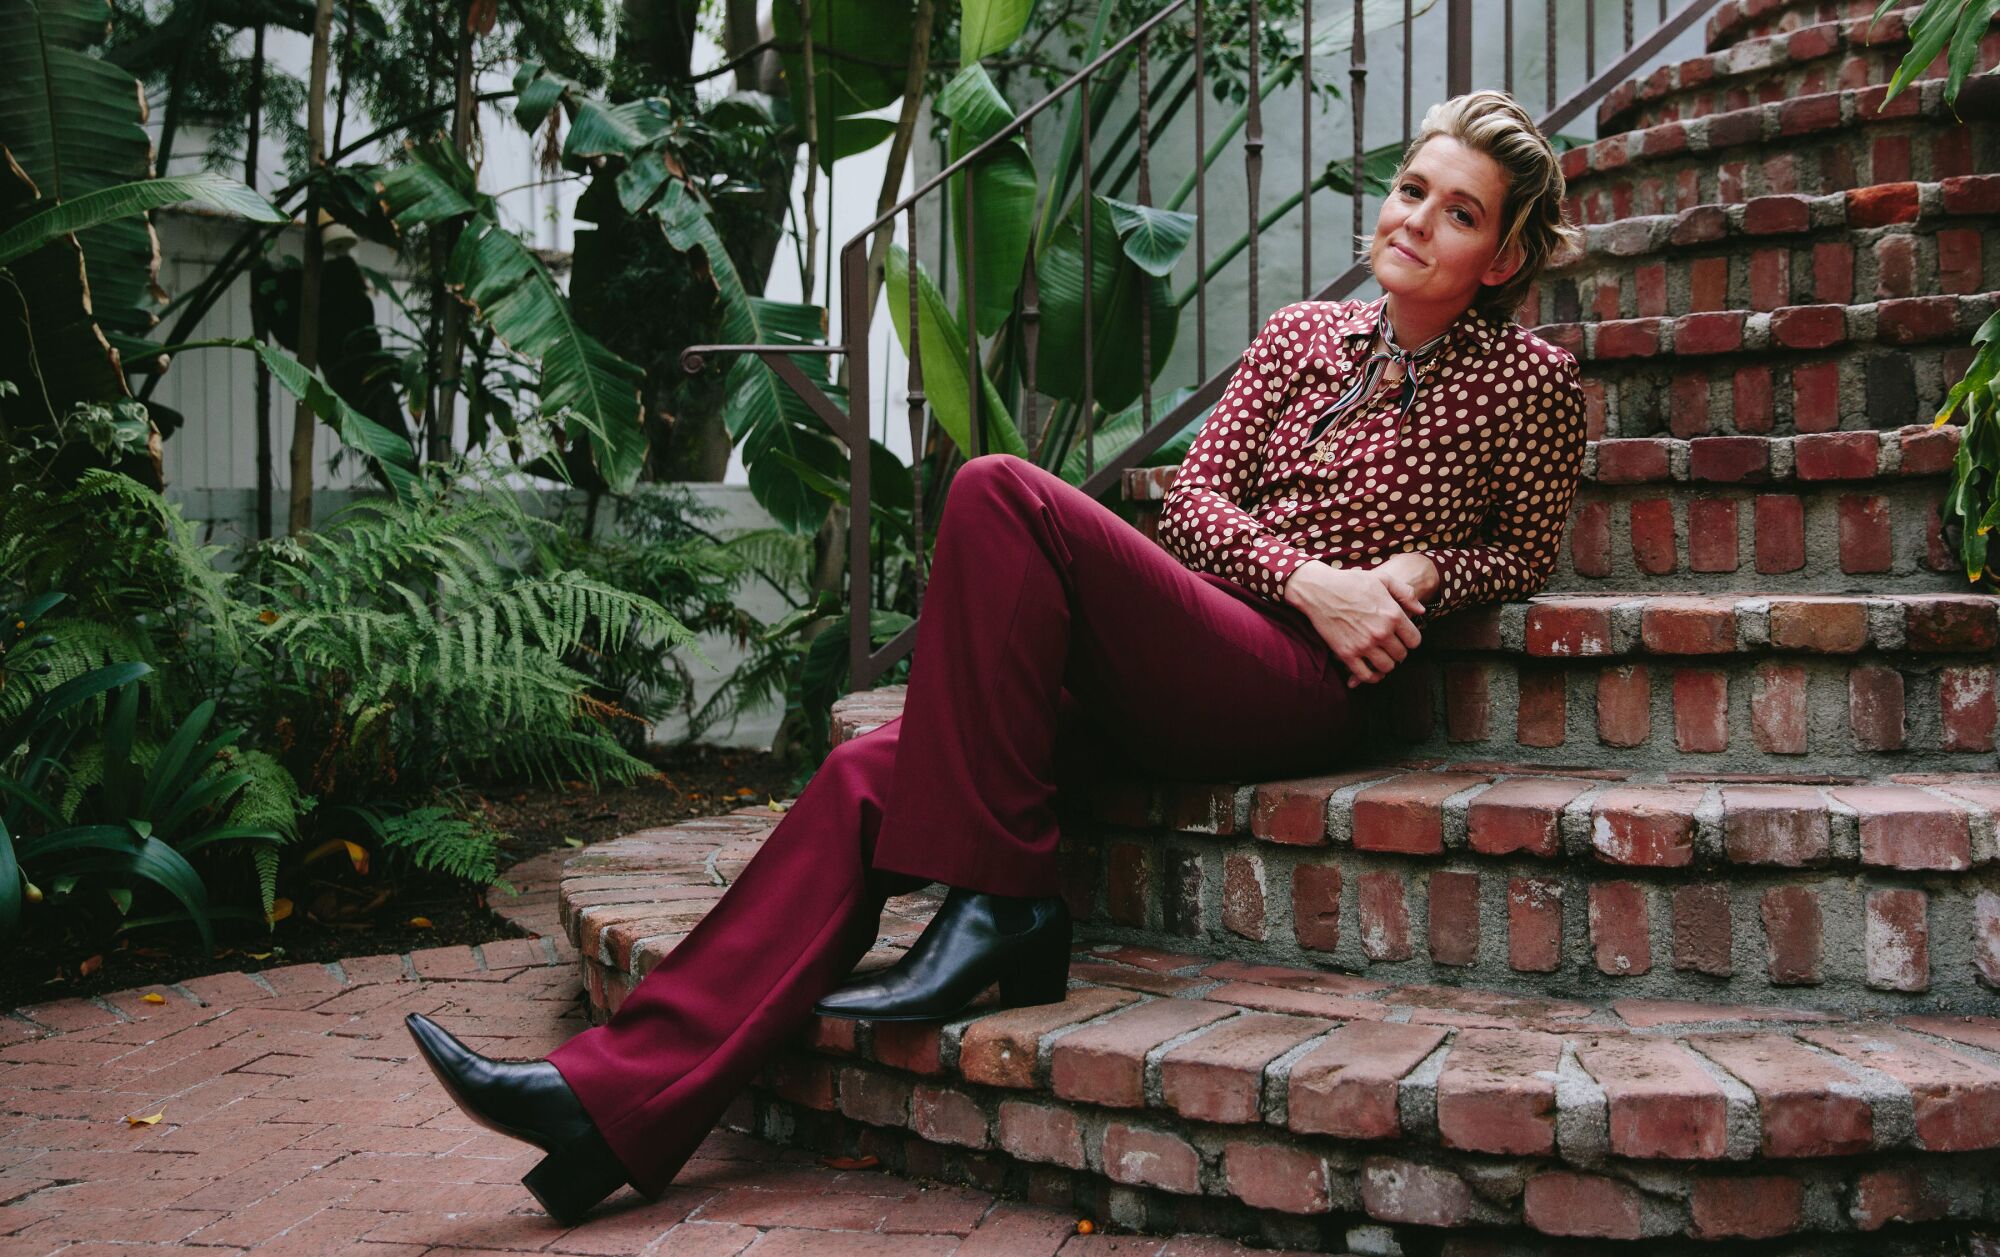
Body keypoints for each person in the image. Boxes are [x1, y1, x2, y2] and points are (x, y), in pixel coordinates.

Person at [402, 87, 1589, 1225]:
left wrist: (1420, 572)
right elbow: (1190, 512)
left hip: (1292, 684)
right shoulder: (1299, 336)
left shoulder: (1528, 383)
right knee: (872, 774)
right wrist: (1304, 575)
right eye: (1410, 189)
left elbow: (1523, 553)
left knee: (997, 491)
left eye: (1458, 212)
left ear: (1500, 258)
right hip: (1212, 626)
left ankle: (1002, 901)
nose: (1414, 221)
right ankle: (604, 1105)